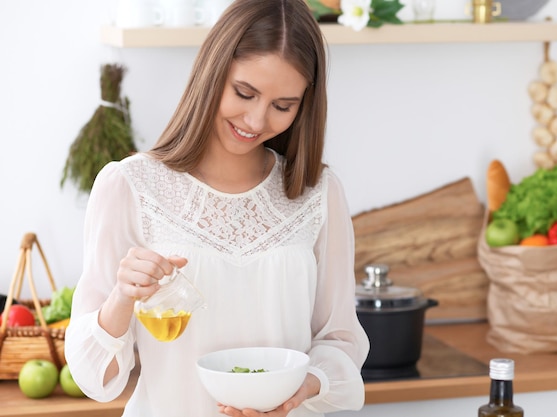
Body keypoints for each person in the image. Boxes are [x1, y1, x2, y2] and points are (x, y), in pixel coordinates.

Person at [65, 0, 370, 416]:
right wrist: (122, 296)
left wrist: (304, 387)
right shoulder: (130, 186)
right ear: (213, 72)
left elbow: (339, 340)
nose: (257, 120)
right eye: (245, 93)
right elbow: (95, 378)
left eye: (284, 106)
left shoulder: (318, 192)